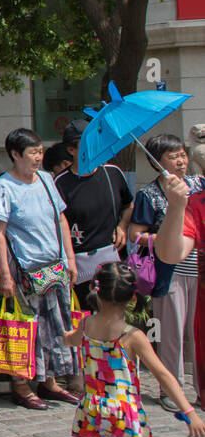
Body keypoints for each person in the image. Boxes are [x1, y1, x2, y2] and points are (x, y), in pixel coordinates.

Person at [64, 261, 204, 437]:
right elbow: (163, 375)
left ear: (98, 291)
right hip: (125, 409)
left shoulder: (86, 324)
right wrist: (189, 411)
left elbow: (71, 341)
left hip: (94, 407)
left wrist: (62, 332)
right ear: (131, 299)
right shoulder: (133, 336)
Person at [0, 127, 81, 409]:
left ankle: (49, 381)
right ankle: (21, 384)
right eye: (33, 152)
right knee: (28, 327)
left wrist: (71, 259)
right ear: (15, 155)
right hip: (25, 271)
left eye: (40, 151)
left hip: (54, 268)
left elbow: (61, 220)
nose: (38, 157)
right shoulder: (3, 187)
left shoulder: (45, 179)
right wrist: (4, 274)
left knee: (56, 326)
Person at [128, 134, 203, 411]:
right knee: (171, 335)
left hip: (199, 269)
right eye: (174, 156)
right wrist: (163, 237)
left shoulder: (198, 185)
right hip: (168, 272)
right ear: (156, 162)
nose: (181, 160)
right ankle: (171, 390)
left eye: (183, 154)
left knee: (200, 334)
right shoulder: (149, 194)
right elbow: (136, 235)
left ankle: (201, 389)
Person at [54, 118, 132, 303]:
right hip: (79, 267)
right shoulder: (60, 183)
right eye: (85, 145)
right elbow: (56, 224)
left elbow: (128, 205)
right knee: (87, 318)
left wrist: (122, 226)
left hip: (114, 260)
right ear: (71, 150)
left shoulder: (113, 173)